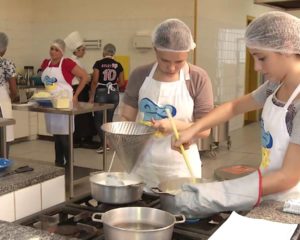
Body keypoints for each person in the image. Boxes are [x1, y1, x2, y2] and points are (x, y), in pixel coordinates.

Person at [171, 11, 300, 218]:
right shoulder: (275, 86)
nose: (257, 67)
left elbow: (288, 176)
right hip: (266, 190)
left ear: (286, 47)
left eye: (261, 58)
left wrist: (219, 193)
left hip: (292, 203)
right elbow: (233, 107)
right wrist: (193, 129)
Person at [121, 18, 214, 190]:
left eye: (179, 61)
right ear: (155, 50)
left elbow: (205, 129)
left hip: (181, 167)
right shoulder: (140, 74)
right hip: (142, 165)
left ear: (188, 53)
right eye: (165, 60)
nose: (171, 67)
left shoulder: (198, 78)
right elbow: (127, 116)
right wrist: (120, 136)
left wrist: (173, 126)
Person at [40, 39, 89, 167]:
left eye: (56, 50)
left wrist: (76, 95)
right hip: (51, 103)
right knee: (56, 135)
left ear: (62, 52)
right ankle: (58, 162)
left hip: (65, 102)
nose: (53, 52)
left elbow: (85, 76)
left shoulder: (67, 63)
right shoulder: (46, 63)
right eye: (51, 48)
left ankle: (69, 164)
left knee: (64, 135)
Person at [64, 31, 98, 149]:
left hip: (77, 88)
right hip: (78, 89)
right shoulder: (74, 61)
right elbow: (82, 77)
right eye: (83, 50)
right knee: (82, 115)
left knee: (80, 115)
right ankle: (83, 139)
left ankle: (78, 139)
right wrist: (90, 76)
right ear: (77, 50)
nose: (84, 52)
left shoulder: (75, 60)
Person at [89, 43, 125, 153]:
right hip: (114, 93)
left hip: (101, 93)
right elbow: (122, 82)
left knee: (98, 120)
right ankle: (109, 143)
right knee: (109, 120)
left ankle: (104, 144)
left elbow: (95, 81)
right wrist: (112, 85)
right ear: (114, 53)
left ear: (104, 52)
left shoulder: (98, 63)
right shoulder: (118, 65)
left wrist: (92, 96)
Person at [0, 32, 17, 157]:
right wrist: (11, 98)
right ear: (4, 49)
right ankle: (3, 162)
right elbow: (14, 89)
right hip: (2, 99)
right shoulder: (7, 64)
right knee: (4, 134)